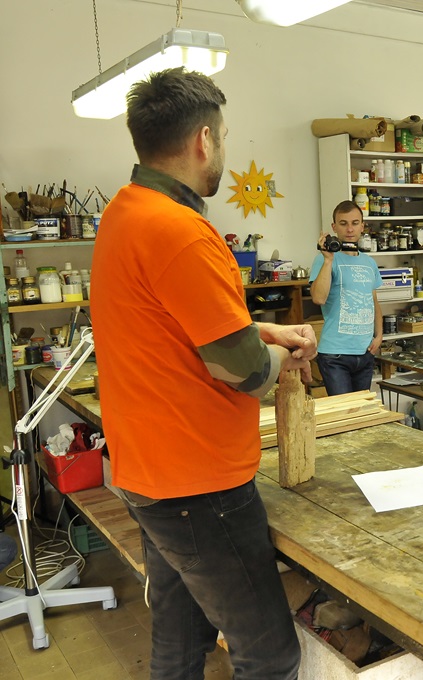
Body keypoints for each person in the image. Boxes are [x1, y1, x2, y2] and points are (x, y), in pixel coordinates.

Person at [91, 67, 315, 679]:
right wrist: (282, 355)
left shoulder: (126, 212)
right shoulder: (181, 232)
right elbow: (247, 375)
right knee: (269, 655)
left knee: (181, 643)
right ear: (203, 140)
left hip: (150, 473)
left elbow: (178, 328)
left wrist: (262, 331)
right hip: (198, 487)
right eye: (225, 137)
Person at [310, 201, 383, 394]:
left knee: (360, 410)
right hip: (335, 355)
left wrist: (379, 335)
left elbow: (374, 301)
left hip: (365, 353)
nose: (350, 229)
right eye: (343, 223)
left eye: (354, 223)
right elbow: (318, 298)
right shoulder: (324, 259)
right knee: (344, 410)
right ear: (334, 227)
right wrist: (328, 260)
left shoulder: (369, 263)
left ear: (362, 226)